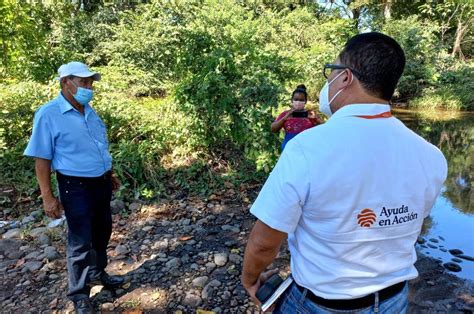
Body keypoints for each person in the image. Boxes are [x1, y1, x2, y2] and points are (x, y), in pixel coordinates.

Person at [242, 32, 447, 313]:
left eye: (331, 72)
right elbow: (406, 223)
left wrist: (250, 280)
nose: (328, 83)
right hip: (393, 300)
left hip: (319, 305)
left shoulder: (308, 148)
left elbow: (266, 241)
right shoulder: (431, 156)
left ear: (346, 77)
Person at [24, 62, 124, 313]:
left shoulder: (89, 111)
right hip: (75, 186)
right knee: (80, 240)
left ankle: (98, 272)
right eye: (84, 82)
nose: (89, 87)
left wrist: (108, 173)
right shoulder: (49, 114)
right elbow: (42, 159)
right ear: (65, 83)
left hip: (100, 182)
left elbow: (97, 147)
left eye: (91, 83)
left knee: (103, 232)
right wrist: (48, 197)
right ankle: (79, 293)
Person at [271, 84, 323, 150]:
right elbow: (273, 129)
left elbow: (325, 129)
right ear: (292, 100)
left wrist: (317, 119)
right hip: (289, 150)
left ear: (305, 101)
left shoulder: (310, 114)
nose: (298, 102)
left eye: (301, 100)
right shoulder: (285, 114)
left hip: (307, 149)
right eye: (296, 99)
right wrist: (284, 119)